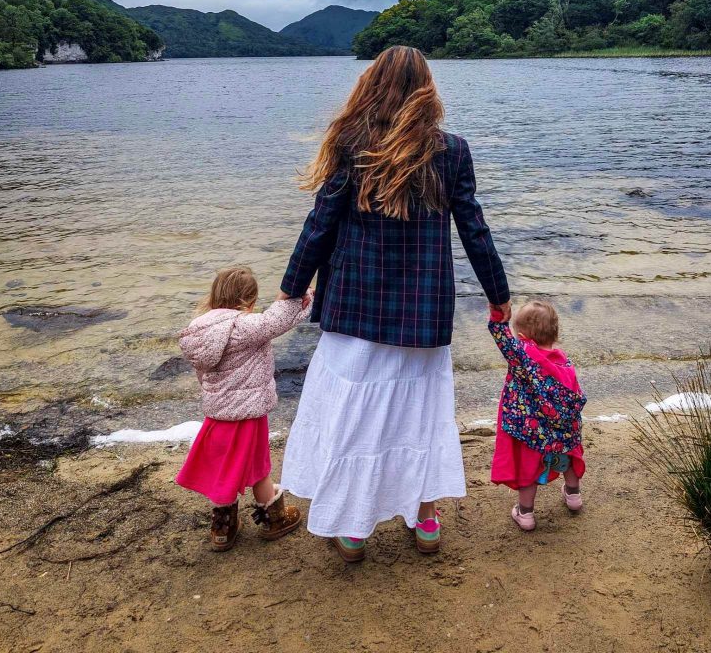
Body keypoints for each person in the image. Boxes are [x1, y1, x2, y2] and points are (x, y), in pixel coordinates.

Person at [277, 45, 511, 562]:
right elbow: (474, 229)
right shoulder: (451, 150)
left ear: (372, 85)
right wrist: (499, 296)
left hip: (355, 307)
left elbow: (321, 224)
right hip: (422, 310)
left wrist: (291, 288)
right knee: (421, 414)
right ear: (427, 90)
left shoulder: (350, 143)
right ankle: (424, 517)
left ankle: (354, 527)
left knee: (354, 415)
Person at [176, 265, 310, 551]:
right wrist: (306, 296)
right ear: (248, 301)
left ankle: (223, 529)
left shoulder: (199, 330)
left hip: (217, 414)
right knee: (259, 468)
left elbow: (202, 374)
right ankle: (274, 519)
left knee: (225, 469)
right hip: (249, 413)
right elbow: (278, 318)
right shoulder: (242, 326)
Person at [488, 298, 586, 532]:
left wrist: (497, 317)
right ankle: (573, 497)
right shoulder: (564, 361)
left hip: (533, 432)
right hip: (564, 430)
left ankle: (526, 513)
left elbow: (502, 338)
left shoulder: (523, 357)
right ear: (555, 332)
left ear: (522, 337)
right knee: (569, 459)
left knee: (529, 469)